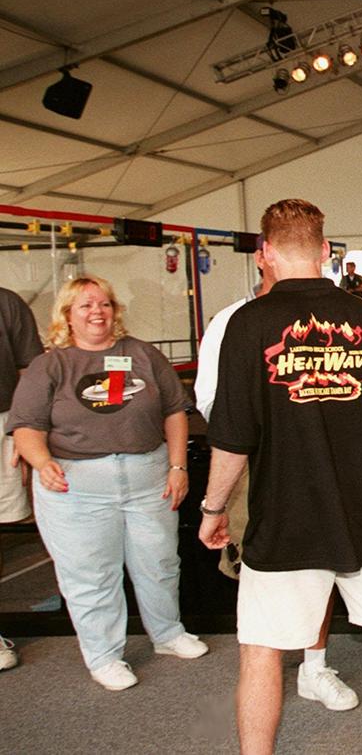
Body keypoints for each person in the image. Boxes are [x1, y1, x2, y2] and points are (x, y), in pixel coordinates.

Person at [198, 199, 362, 755]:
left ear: (266, 254)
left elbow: (232, 439)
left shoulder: (246, 324)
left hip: (287, 521)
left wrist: (213, 511)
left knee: (260, 650)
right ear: (327, 253)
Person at [10, 276, 207, 691]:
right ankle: (103, 655)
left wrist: (177, 467)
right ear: (67, 315)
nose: (96, 312)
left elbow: (174, 412)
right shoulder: (52, 365)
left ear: (116, 310)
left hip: (147, 479)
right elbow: (26, 426)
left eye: (104, 304)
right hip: (77, 487)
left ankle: (168, 634)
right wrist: (42, 462)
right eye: (84, 306)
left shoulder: (143, 354)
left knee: (159, 564)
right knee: (91, 575)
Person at [194, 236, 359, 712]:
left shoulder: (332, 318)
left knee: (324, 560)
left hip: (323, 463)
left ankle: (314, 665)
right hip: (255, 465)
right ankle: (261, 672)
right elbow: (212, 402)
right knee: (259, 570)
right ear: (264, 256)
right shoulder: (232, 322)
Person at [0, 287, 44, 671]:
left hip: (2, 421)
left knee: (4, 526)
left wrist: (23, 428)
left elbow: (29, 371)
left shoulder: (7, 303)